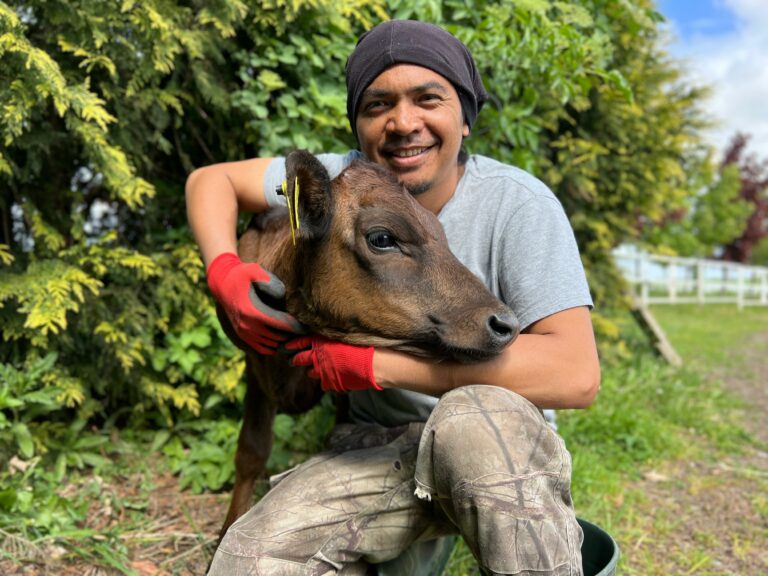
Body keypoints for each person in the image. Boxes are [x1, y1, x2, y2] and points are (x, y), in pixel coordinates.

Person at [186, 19, 600, 576]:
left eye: (429, 98)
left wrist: (376, 364)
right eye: (378, 104)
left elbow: (576, 374)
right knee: (248, 563)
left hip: (492, 440)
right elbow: (209, 181)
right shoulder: (337, 186)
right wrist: (224, 267)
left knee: (471, 422)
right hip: (373, 449)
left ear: (465, 118)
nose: (404, 123)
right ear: (358, 127)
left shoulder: (518, 205)